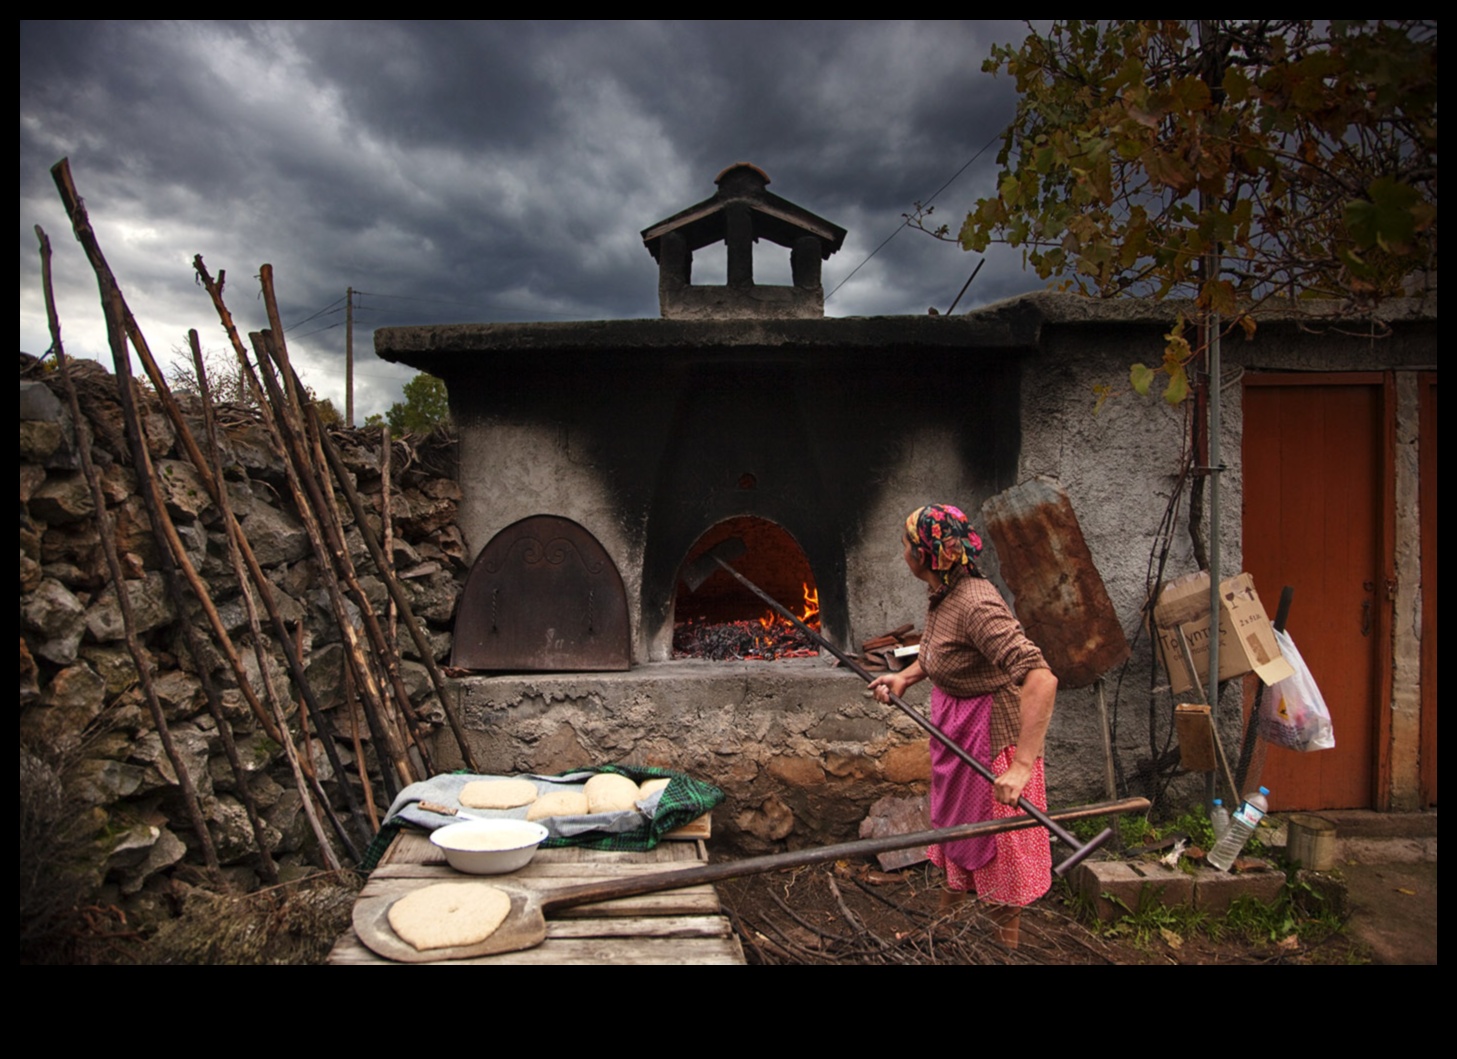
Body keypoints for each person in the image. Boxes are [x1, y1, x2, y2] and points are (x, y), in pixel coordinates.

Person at [868, 504, 1057, 947]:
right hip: (958, 731)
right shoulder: (945, 591)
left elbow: (1041, 676)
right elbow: (943, 651)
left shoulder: (975, 602)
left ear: (924, 554)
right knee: (958, 831)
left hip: (991, 738)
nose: (902, 551)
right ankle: (940, 933)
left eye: (905, 544)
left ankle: (1003, 949)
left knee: (998, 846)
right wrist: (906, 676)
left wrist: (1021, 767)